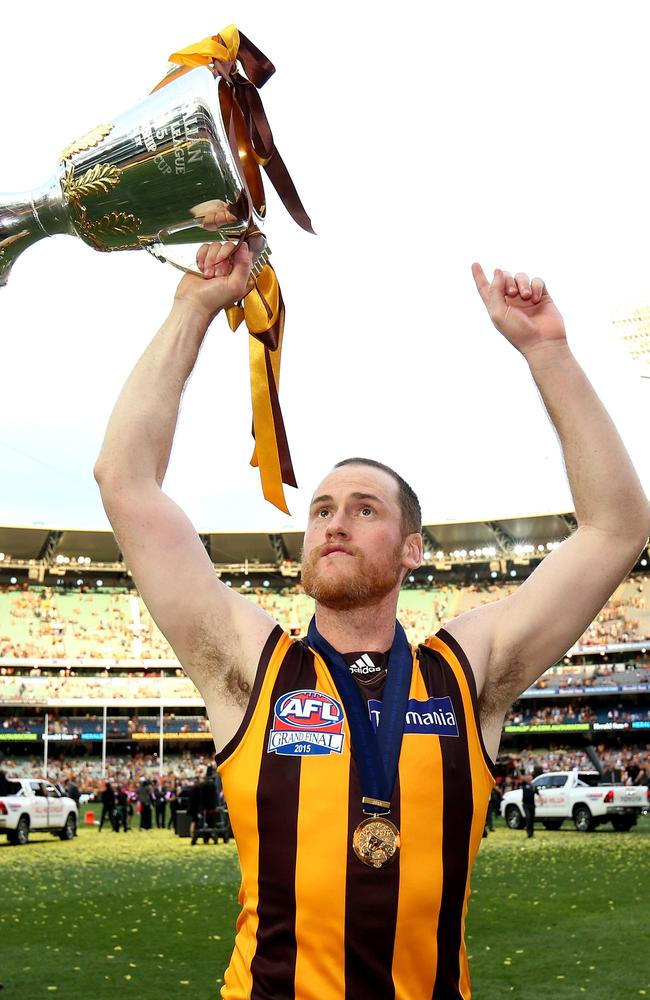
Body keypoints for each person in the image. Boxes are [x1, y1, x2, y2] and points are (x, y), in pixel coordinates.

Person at [94, 224, 649, 999]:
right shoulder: (253, 664)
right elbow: (126, 484)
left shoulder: (467, 671)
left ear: (414, 549)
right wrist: (194, 305)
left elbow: (618, 528)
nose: (334, 521)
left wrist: (548, 355)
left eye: (363, 508)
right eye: (320, 509)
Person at [520, 774, 542, 839]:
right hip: (525, 804)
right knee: (528, 818)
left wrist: (541, 800)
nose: (529, 778)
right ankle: (529, 833)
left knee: (532, 819)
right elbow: (520, 777)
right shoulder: (524, 784)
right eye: (528, 777)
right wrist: (517, 768)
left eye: (530, 777)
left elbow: (538, 793)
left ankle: (532, 833)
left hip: (532, 805)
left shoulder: (533, 786)